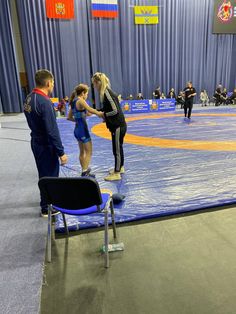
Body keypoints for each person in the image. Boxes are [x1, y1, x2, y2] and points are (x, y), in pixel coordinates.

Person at [24, 69, 68, 217]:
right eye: (53, 82)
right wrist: (61, 152)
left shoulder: (29, 98)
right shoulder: (44, 102)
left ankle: (46, 201)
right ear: (49, 83)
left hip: (36, 141)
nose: (53, 85)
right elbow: (52, 131)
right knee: (50, 176)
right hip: (45, 144)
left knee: (43, 174)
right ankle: (47, 207)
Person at [92, 72, 127, 181]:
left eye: (94, 84)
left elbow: (115, 111)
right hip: (118, 125)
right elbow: (110, 109)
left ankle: (117, 173)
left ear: (98, 83)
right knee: (118, 147)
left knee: (116, 149)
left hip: (118, 126)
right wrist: (101, 112)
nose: (94, 86)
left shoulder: (107, 92)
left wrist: (104, 115)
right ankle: (120, 168)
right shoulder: (106, 92)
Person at [67, 84, 104, 177]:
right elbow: (90, 109)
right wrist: (99, 113)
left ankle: (84, 170)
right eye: (86, 93)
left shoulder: (74, 102)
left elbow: (69, 117)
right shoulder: (81, 101)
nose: (87, 95)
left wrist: (79, 119)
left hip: (77, 129)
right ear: (83, 93)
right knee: (89, 151)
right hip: (82, 130)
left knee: (82, 152)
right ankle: (85, 173)